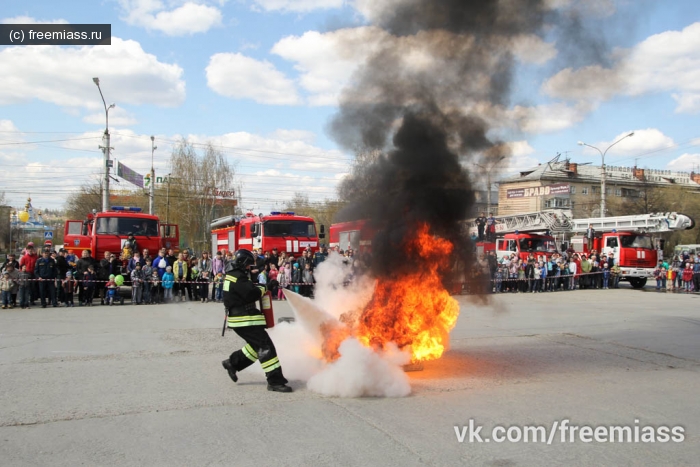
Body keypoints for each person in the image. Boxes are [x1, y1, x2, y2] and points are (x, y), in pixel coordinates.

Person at [221, 249, 292, 393]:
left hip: (241, 319)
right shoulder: (238, 277)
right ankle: (275, 381)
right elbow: (251, 294)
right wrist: (267, 287)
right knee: (266, 347)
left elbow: (247, 290)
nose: (249, 267)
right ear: (241, 263)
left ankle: (232, 363)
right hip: (244, 319)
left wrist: (263, 286)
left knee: (255, 346)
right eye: (248, 265)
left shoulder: (233, 275)